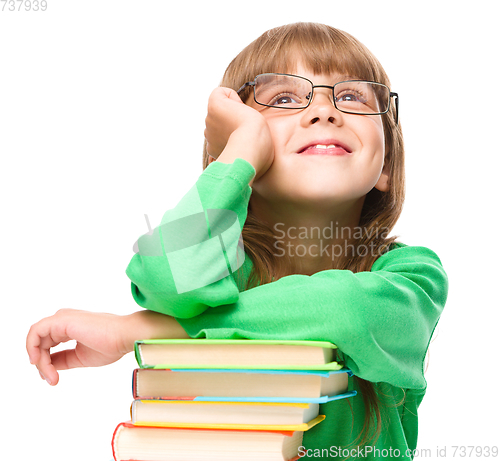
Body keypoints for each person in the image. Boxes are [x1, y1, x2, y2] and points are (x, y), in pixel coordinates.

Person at [26, 22, 448, 460]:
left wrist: (138, 329)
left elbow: (345, 312)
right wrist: (241, 151)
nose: (323, 111)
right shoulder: (222, 270)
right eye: (283, 98)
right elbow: (167, 278)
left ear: (386, 170)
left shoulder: (411, 276)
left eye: (352, 97)